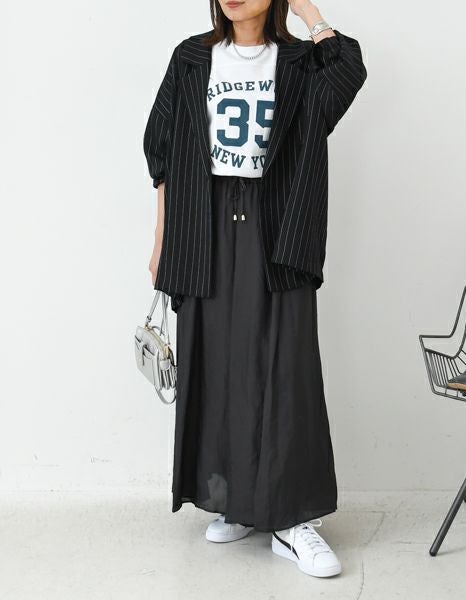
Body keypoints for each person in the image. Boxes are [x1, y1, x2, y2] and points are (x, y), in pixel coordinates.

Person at [143, 0, 366, 578]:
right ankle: (237, 500)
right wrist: (163, 238)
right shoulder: (192, 58)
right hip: (204, 223)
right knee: (217, 365)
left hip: (278, 225)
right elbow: (162, 151)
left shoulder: (300, 63)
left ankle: (291, 520)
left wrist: (308, 11)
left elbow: (349, 70)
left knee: (284, 367)